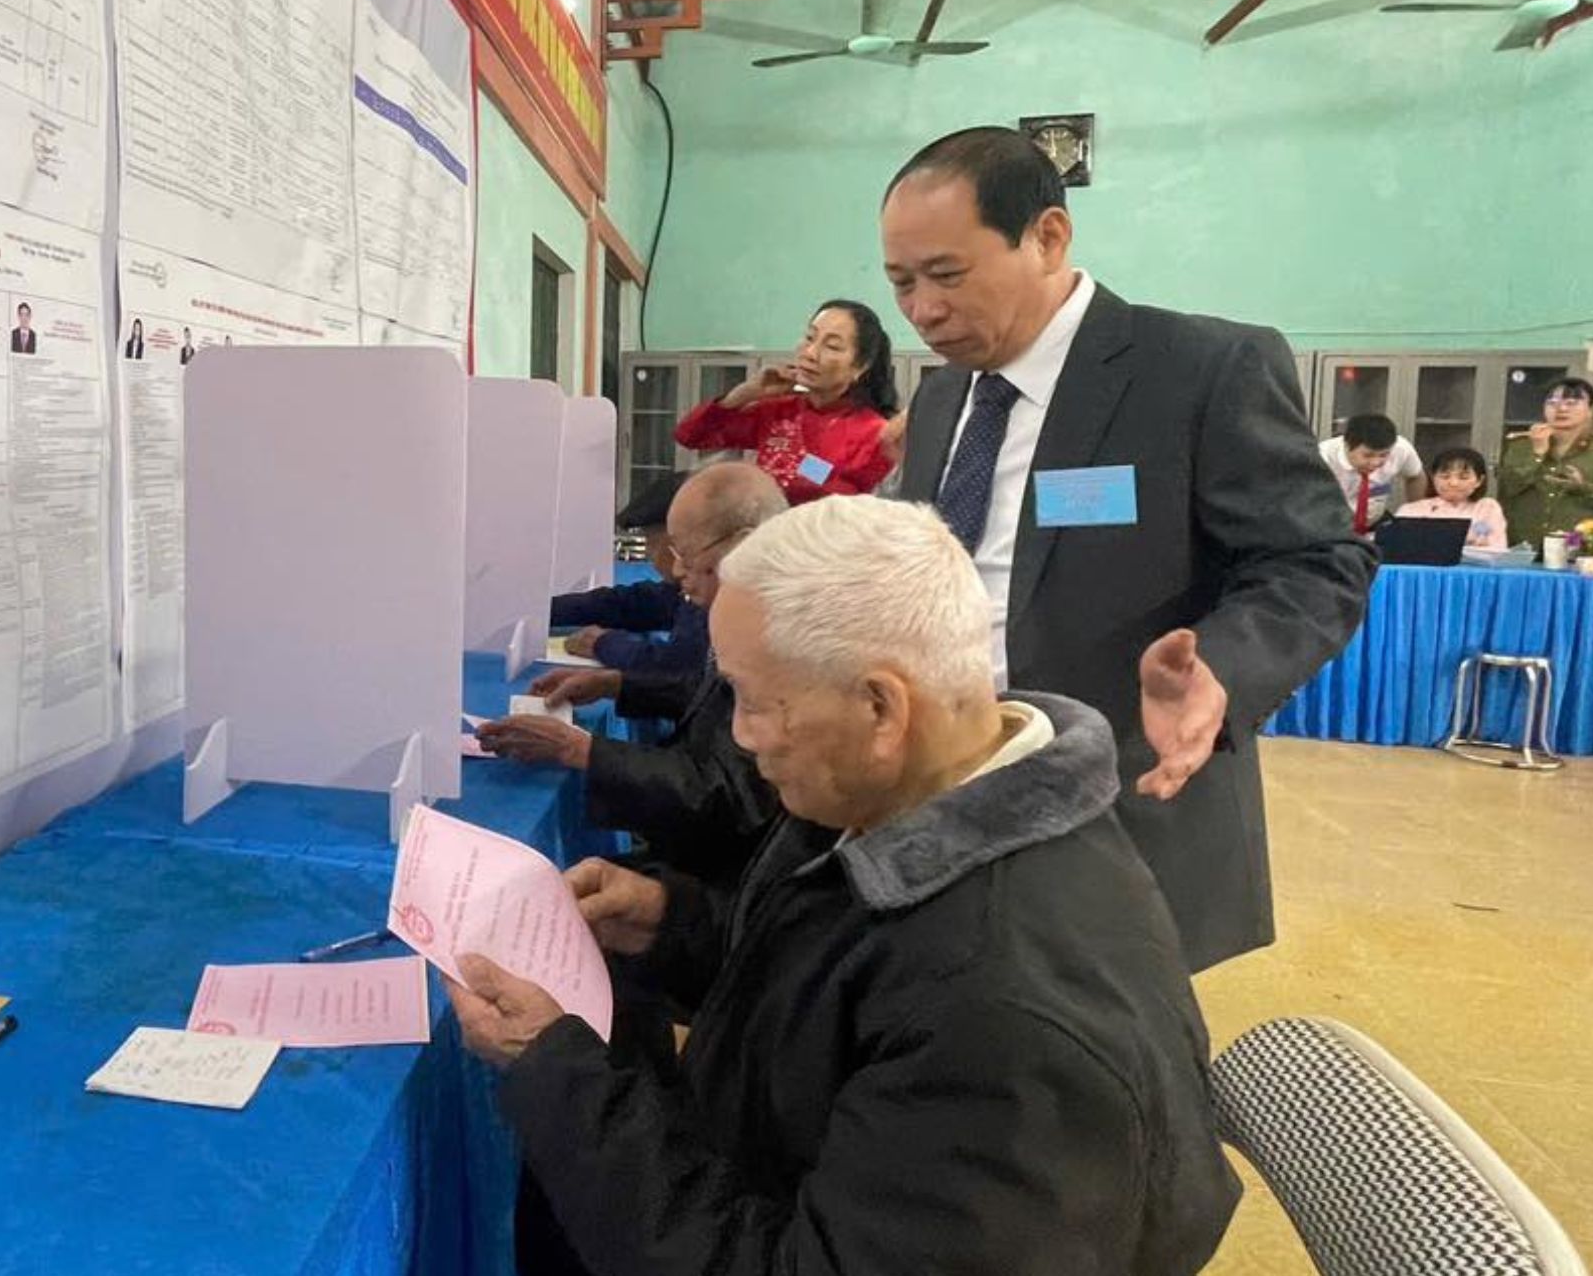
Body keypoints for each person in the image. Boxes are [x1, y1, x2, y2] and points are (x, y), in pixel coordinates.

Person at [453, 496, 1241, 1276]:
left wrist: (556, 1074)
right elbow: (833, 986)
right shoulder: (914, 801)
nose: (741, 736)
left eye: (754, 702)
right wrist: (674, 924)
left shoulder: (1001, 1023)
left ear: (881, 707)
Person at [885, 126, 1374, 970]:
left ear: (1047, 237)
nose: (923, 309)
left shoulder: (1197, 369)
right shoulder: (942, 401)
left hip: (1120, 801)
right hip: (950, 797)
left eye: (947, 275)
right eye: (901, 282)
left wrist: (1220, 667)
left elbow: (1316, 560)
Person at [477, 463, 785, 887]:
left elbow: (728, 793)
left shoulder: (781, 641)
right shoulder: (743, 611)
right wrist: (618, 684)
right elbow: (704, 691)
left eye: (685, 554)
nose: (677, 571)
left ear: (743, 548)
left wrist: (579, 749)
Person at [671, 300, 899, 504]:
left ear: (860, 366)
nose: (810, 353)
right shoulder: (780, 411)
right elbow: (690, 435)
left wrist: (801, 462)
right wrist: (745, 393)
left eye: (831, 346)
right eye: (809, 337)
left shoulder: (875, 433)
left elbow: (863, 505)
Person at [551, 471, 706, 678]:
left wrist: (603, 644)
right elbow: (632, 604)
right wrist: (547, 611)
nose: (649, 554)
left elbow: (677, 666)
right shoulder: (688, 590)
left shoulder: (715, 595)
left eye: (651, 542)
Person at [1497, 377, 1593, 548]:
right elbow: (1508, 487)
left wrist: (1581, 487)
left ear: (1590, 410)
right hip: (1522, 545)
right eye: (1552, 403)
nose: (1561, 409)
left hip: (1579, 545)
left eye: (1572, 403)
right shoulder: (1520, 445)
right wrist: (1537, 455)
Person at [1322, 412, 1423, 534]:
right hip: (1329, 527)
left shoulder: (1400, 448)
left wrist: (1415, 513)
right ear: (1347, 445)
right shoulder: (1322, 458)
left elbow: (1416, 476)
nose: (1376, 462)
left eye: (1383, 455)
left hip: (1375, 521)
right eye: (1368, 455)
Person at [1396, 446, 1510, 549]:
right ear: (1433, 477)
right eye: (1445, 476)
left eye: (1463, 477)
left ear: (1479, 480)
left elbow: (1497, 549)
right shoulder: (1410, 511)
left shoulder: (1487, 508)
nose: (1453, 483)